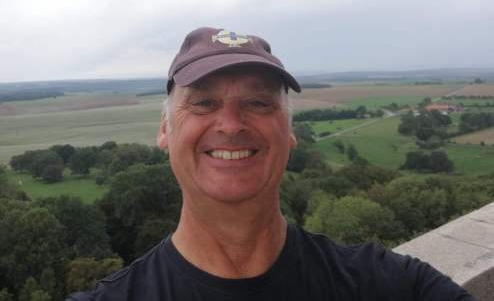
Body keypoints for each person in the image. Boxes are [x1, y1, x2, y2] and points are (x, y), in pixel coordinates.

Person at [67, 27, 476, 301]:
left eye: (259, 103)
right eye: (204, 102)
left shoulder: (390, 285)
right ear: (164, 130)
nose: (231, 125)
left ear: (290, 132)